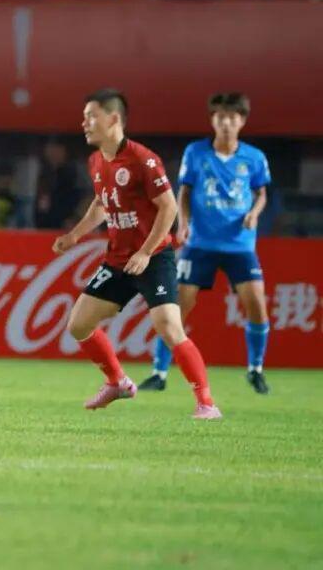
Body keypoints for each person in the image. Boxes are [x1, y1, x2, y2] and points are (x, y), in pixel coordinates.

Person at [52, 89, 221, 420]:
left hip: (153, 257)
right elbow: (101, 203)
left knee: (168, 325)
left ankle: (206, 403)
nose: (84, 123)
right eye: (84, 117)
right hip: (118, 260)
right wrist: (75, 235)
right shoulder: (96, 160)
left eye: (92, 116)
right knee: (79, 325)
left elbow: (169, 207)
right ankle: (117, 382)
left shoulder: (143, 159)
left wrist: (145, 252)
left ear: (114, 119)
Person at [141, 93, 272, 394]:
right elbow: (184, 191)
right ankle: (159, 373)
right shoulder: (196, 152)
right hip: (200, 243)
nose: (226, 123)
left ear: (242, 121)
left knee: (256, 304)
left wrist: (254, 213)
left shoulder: (254, 158)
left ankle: (255, 370)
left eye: (232, 117)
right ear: (213, 120)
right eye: (220, 117)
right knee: (176, 307)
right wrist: (183, 224)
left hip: (240, 245)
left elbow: (262, 194)